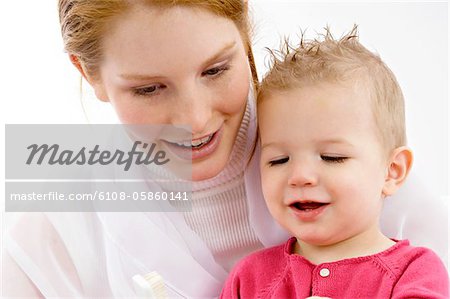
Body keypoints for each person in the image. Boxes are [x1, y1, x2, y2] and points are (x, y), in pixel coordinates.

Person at [2, 1, 446, 298]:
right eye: (149, 88)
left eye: (216, 69)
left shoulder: (359, 159)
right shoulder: (47, 228)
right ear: (89, 73)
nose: (195, 120)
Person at [220, 28, 449, 298]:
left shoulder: (415, 271)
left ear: (392, 171)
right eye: (278, 160)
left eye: (332, 157)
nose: (300, 176)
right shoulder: (249, 277)